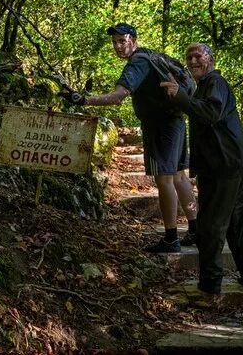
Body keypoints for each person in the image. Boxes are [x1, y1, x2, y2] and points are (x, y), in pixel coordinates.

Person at [62, 23, 198, 253]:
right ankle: (196, 231)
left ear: (133, 41)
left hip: (159, 126)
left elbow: (117, 97)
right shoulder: (150, 56)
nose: (117, 46)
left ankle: (171, 238)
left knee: (164, 180)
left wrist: (84, 100)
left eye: (122, 41)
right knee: (179, 177)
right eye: (114, 42)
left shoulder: (137, 63)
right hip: (175, 120)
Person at [160, 42, 243, 293]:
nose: (192, 61)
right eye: (189, 57)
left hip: (225, 168)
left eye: (198, 56)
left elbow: (210, 113)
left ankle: (210, 283)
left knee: (211, 224)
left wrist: (180, 96)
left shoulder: (216, 83)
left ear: (210, 59)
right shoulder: (203, 87)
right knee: (238, 222)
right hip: (229, 165)